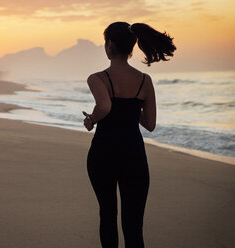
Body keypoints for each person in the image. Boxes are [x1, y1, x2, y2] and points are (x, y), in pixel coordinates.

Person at [83, 22, 176, 248]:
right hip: (134, 157)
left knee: (107, 216)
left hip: (103, 155)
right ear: (132, 47)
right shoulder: (144, 80)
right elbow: (150, 123)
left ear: (109, 45)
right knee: (134, 226)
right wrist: (130, 108)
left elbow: (104, 107)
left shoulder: (97, 78)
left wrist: (91, 120)